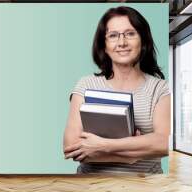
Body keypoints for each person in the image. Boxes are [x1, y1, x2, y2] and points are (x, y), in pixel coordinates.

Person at [63, 6, 171, 175]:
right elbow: (72, 147)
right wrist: (131, 154)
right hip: (91, 188)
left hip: (147, 190)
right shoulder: (86, 85)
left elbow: (164, 143)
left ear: (143, 40)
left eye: (130, 33)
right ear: (104, 45)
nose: (122, 43)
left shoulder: (160, 88)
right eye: (113, 35)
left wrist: (103, 146)